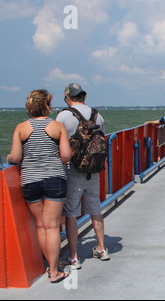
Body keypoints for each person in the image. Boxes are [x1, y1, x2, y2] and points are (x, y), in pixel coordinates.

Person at [7, 89, 72, 283]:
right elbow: (66, 156)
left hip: (29, 180)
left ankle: (48, 267)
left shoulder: (20, 128)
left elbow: (15, 158)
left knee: (41, 226)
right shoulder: (57, 126)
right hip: (54, 179)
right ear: (47, 105)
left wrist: (10, 158)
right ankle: (54, 271)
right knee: (52, 226)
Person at [56, 83, 110, 270]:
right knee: (95, 208)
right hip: (93, 170)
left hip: (72, 170)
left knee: (71, 212)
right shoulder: (98, 115)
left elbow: (58, 142)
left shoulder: (64, 115)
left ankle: (73, 257)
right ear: (84, 97)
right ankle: (102, 249)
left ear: (67, 98)